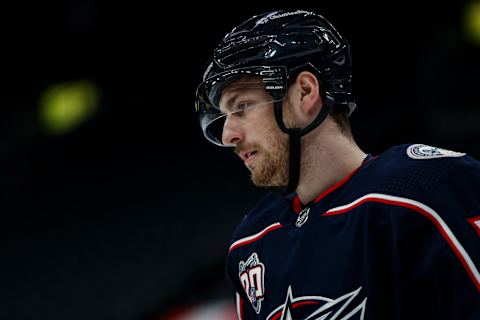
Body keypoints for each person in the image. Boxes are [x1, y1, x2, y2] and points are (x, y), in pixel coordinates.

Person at [194, 9, 480, 320]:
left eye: (242, 106)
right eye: (224, 116)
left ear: (305, 92)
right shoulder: (250, 244)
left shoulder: (425, 191)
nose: (228, 134)